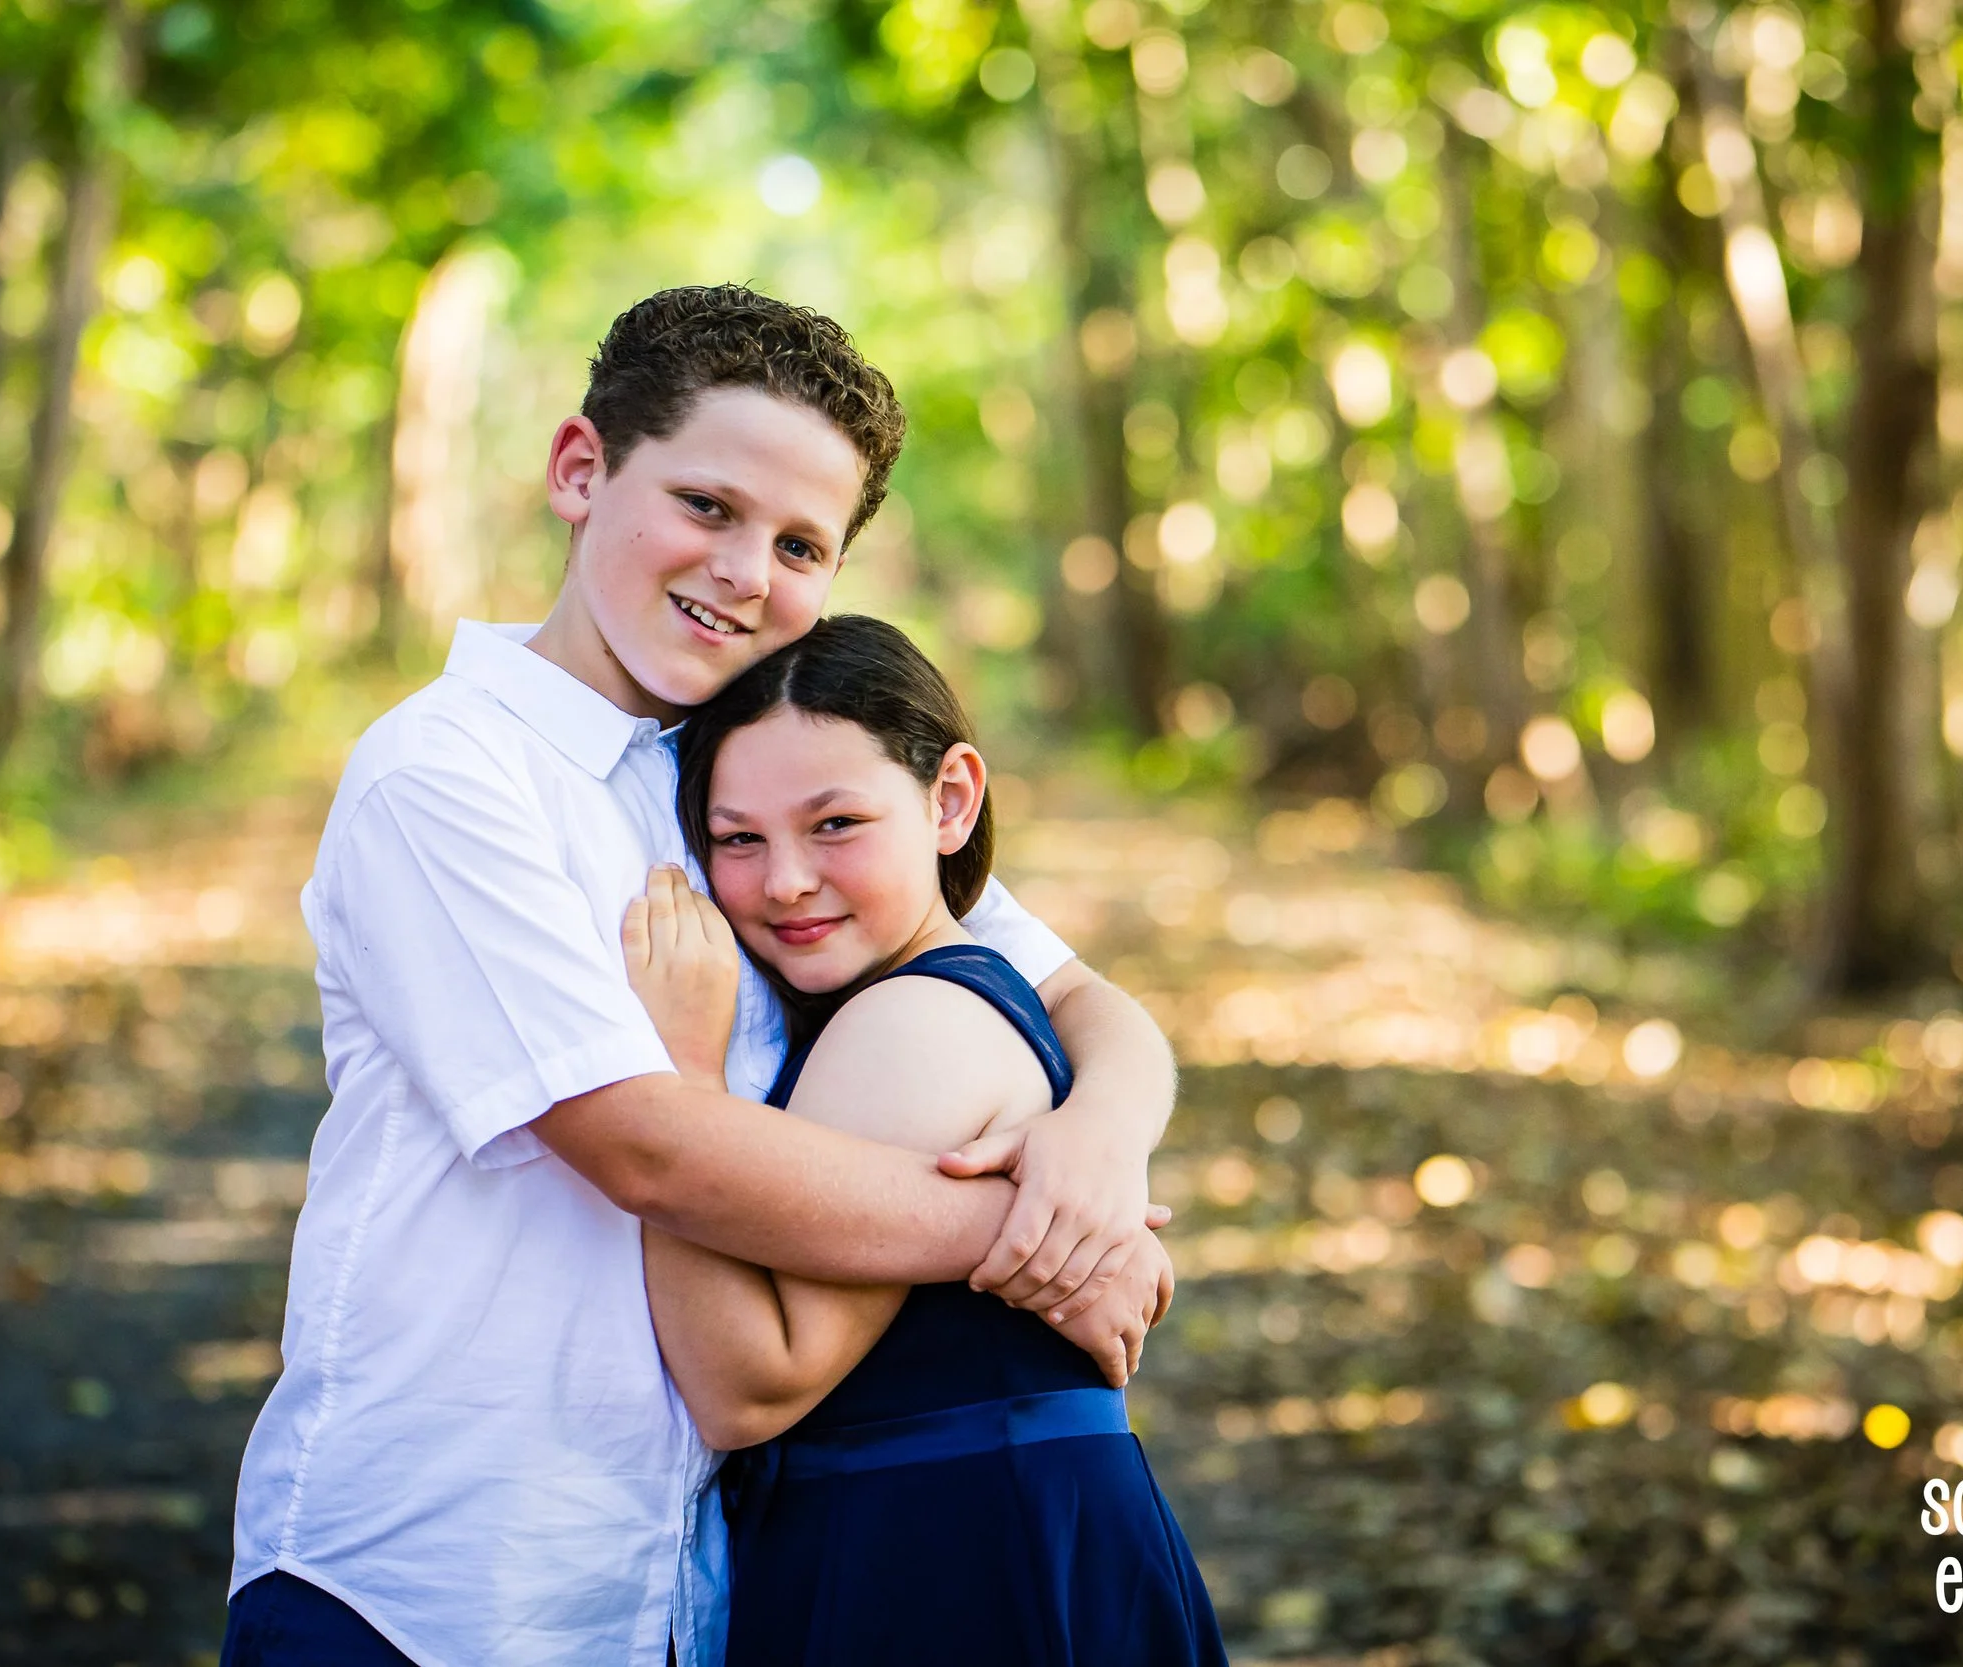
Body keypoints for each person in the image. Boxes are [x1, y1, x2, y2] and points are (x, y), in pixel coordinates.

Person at [221, 288, 1179, 1667]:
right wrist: (1037, 1237)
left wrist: (1096, 1141)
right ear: (580, 469)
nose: (745, 570)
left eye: (801, 543)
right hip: (434, 1579)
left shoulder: (758, 773)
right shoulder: (448, 773)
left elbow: (1081, 1003)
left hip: (681, 1592)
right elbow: (644, 1141)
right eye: (709, 506)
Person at [624, 613, 1225, 1666]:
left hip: (952, 1560)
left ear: (950, 801)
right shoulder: (931, 985)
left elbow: (747, 1382)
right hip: (962, 1532)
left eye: (836, 824)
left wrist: (678, 1071)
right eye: (737, 838)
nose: (786, 881)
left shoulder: (906, 1022)